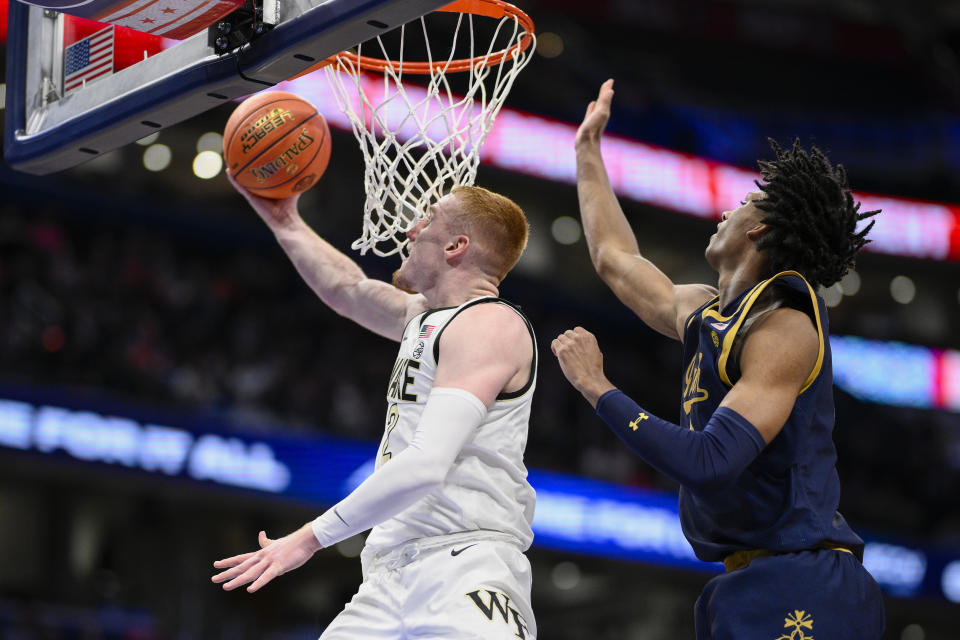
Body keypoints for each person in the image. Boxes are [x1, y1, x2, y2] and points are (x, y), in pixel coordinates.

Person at [552, 79, 885, 639]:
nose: (725, 210)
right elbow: (614, 258)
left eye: (740, 203)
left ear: (757, 229)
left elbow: (710, 463)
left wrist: (598, 387)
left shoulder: (784, 326)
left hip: (804, 579)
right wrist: (588, 153)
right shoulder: (706, 312)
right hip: (748, 579)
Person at [212, 177, 538, 640]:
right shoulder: (423, 319)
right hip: (387, 575)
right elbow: (347, 289)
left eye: (427, 221)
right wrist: (284, 221)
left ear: (456, 246)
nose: (411, 231)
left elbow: (426, 463)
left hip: (465, 571)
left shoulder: (489, 323)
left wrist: (307, 539)